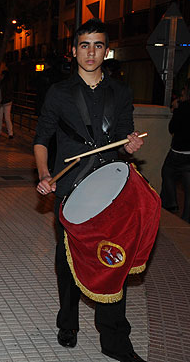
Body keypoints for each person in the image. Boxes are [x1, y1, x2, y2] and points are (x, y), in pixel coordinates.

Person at [34, 19, 145, 362]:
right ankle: (68, 322)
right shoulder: (59, 92)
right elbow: (42, 139)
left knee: (114, 258)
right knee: (68, 258)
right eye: (84, 45)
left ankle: (114, 340)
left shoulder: (121, 93)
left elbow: (125, 136)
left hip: (111, 186)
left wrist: (130, 145)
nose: (91, 52)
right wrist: (44, 174)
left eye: (98, 45)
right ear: (73, 51)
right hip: (70, 185)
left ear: (107, 51)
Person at [161, 84, 190, 222]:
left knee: (167, 173)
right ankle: (186, 218)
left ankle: (172, 203)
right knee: (188, 187)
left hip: (178, 151)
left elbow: (172, 128)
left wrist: (176, 110)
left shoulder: (183, 107)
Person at [0, 70, 14, 138]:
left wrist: (2, 101)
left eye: (1, 75)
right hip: (2, 101)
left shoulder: (6, 83)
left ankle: (10, 133)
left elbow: (7, 93)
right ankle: (0, 132)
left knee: (6, 118)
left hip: (5, 102)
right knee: (1, 117)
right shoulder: (2, 82)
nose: (0, 76)